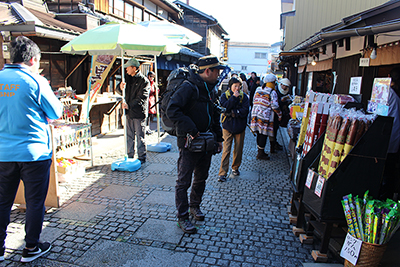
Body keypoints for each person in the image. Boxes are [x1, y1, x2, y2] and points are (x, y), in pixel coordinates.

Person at [0, 36, 63, 263]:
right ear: (34, 59)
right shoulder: (35, 81)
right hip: (34, 153)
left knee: (2, 202)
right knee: (35, 202)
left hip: (2, 153)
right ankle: (31, 247)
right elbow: (56, 112)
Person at [166, 55, 224, 234]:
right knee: (183, 181)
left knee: (201, 177)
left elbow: (214, 114)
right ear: (207, 71)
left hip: (206, 142)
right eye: (217, 71)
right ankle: (182, 217)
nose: (219, 74)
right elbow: (172, 110)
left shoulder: (211, 89)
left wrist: (219, 138)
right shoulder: (188, 87)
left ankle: (194, 206)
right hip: (189, 142)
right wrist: (192, 129)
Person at [117, 58, 150, 163]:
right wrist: (120, 87)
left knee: (140, 136)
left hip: (138, 112)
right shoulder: (126, 78)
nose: (126, 70)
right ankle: (130, 155)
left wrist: (129, 105)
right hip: (128, 112)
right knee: (129, 136)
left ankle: (141, 157)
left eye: (128, 67)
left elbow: (142, 97)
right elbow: (118, 91)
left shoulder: (144, 81)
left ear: (134, 68)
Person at [218, 77, 250, 182]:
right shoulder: (225, 96)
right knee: (226, 150)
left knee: (238, 149)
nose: (237, 88)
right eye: (235, 86)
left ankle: (235, 167)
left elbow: (245, 111)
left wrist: (234, 112)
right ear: (230, 86)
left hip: (240, 127)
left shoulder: (244, 97)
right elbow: (225, 107)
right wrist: (234, 99)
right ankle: (222, 173)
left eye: (239, 86)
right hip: (227, 127)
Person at [250, 74, 282, 159]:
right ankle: (261, 153)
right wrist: (279, 114)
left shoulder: (258, 89)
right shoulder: (272, 92)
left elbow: (254, 100)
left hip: (256, 114)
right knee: (263, 134)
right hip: (265, 116)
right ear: (271, 82)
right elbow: (275, 106)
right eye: (274, 82)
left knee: (259, 133)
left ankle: (260, 151)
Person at [381, 67, 400, 200]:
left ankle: (384, 199)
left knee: (385, 172)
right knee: (392, 170)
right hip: (395, 139)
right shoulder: (396, 94)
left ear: (389, 77)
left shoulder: (388, 93)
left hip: (388, 137)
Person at [272, 78, 292, 151]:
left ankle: (274, 142)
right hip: (275, 112)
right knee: (274, 128)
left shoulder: (286, 91)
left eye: (286, 86)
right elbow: (274, 103)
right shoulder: (275, 90)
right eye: (284, 86)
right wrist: (281, 100)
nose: (285, 87)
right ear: (281, 84)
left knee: (276, 128)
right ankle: (273, 144)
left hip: (281, 112)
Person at [146, 71, 159, 135]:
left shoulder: (153, 83)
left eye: (153, 77)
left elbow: (155, 92)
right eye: (151, 76)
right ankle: (145, 128)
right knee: (146, 115)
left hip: (151, 100)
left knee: (149, 116)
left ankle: (147, 128)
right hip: (146, 100)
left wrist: (157, 89)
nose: (152, 78)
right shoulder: (146, 82)